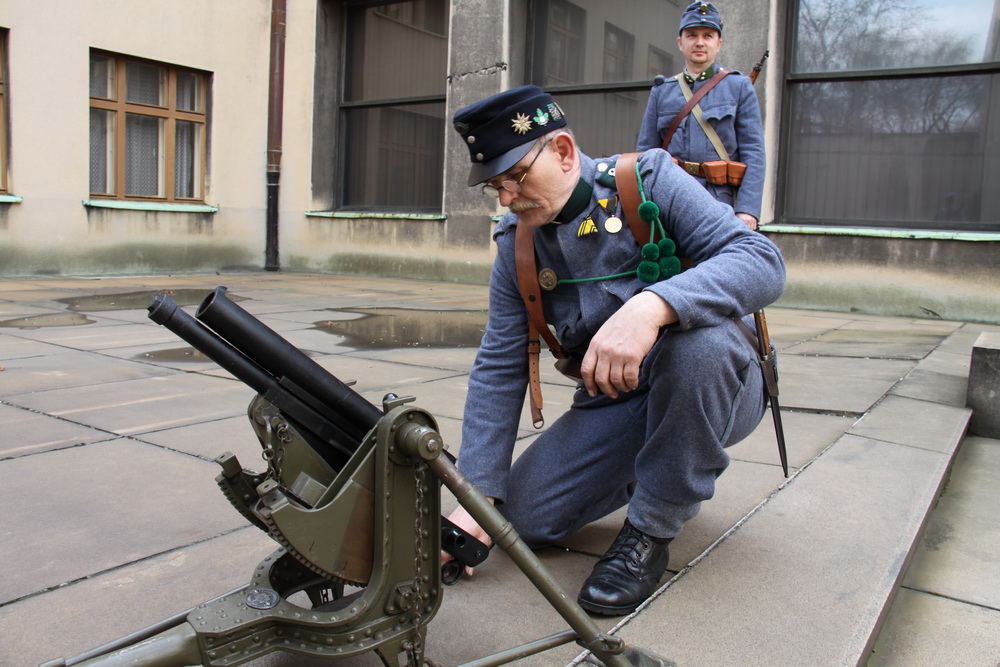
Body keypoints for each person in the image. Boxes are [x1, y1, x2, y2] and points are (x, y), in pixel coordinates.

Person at [445, 84, 785, 616]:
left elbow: (762, 262)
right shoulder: (517, 243)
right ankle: (663, 459)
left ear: (562, 151)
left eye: (515, 177)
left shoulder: (647, 181)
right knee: (525, 520)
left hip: (718, 381)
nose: (508, 198)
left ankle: (652, 528)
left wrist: (654, 306)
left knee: (698, 346)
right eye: (495, 187)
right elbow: (500, 363)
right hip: (620, 397)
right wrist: (477, 497)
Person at [636, 1, 765, 231]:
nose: (699, 42)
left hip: (720, 201)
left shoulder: (738, 87)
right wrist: (643, 204)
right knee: (672, 265)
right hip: (670, 198)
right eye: (692, 35)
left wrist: (747, 209)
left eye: (708, 35)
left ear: (719, 43)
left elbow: (754, 152)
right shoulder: (661, 91)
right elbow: (645, 154)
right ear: (680, 42)